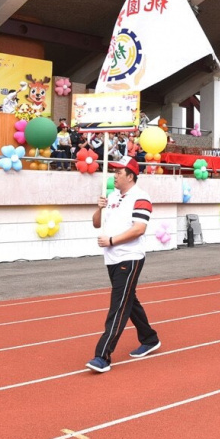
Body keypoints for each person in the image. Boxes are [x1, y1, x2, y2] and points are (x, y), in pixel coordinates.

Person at [87, 157, 160, 373]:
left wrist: (111, 241)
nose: (114, 176)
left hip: (129, 256)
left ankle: (102, 355)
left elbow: (139, 229)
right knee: (129, 300)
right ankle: (149, 338)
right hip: (111, 258)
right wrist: (99, 208)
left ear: (130, 176)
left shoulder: (141, 197)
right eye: (115, 172)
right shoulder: (111, 196)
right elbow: (96, 223)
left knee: (118, 305)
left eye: (119, 172)